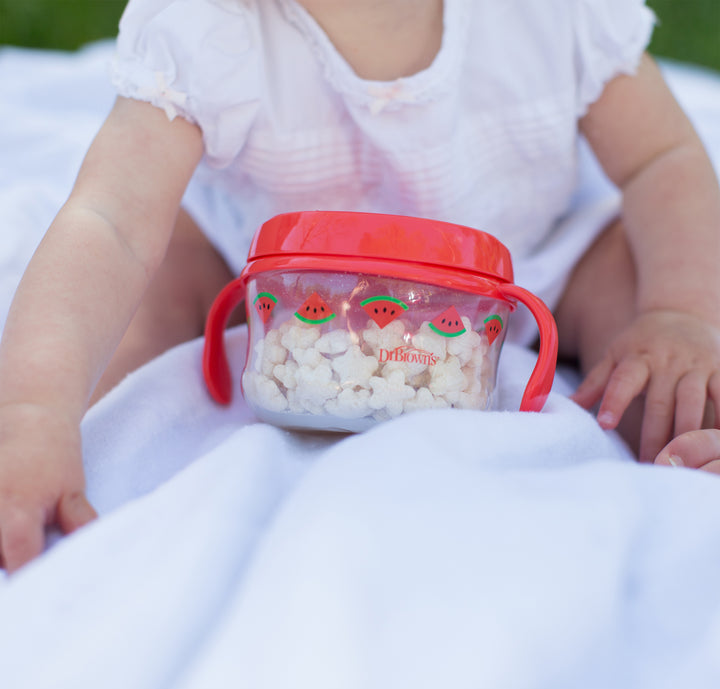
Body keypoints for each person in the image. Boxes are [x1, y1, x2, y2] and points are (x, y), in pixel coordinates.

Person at [1, 0, 719, 572]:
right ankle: (38, 452)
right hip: (269, 271)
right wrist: (35, 410)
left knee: (664, 339)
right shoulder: (206, 25)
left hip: (521, 259)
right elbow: (111, 223)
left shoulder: (556, 15)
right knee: (148, 280)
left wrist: (681, 311)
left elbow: (662, 159)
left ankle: (694, 429)